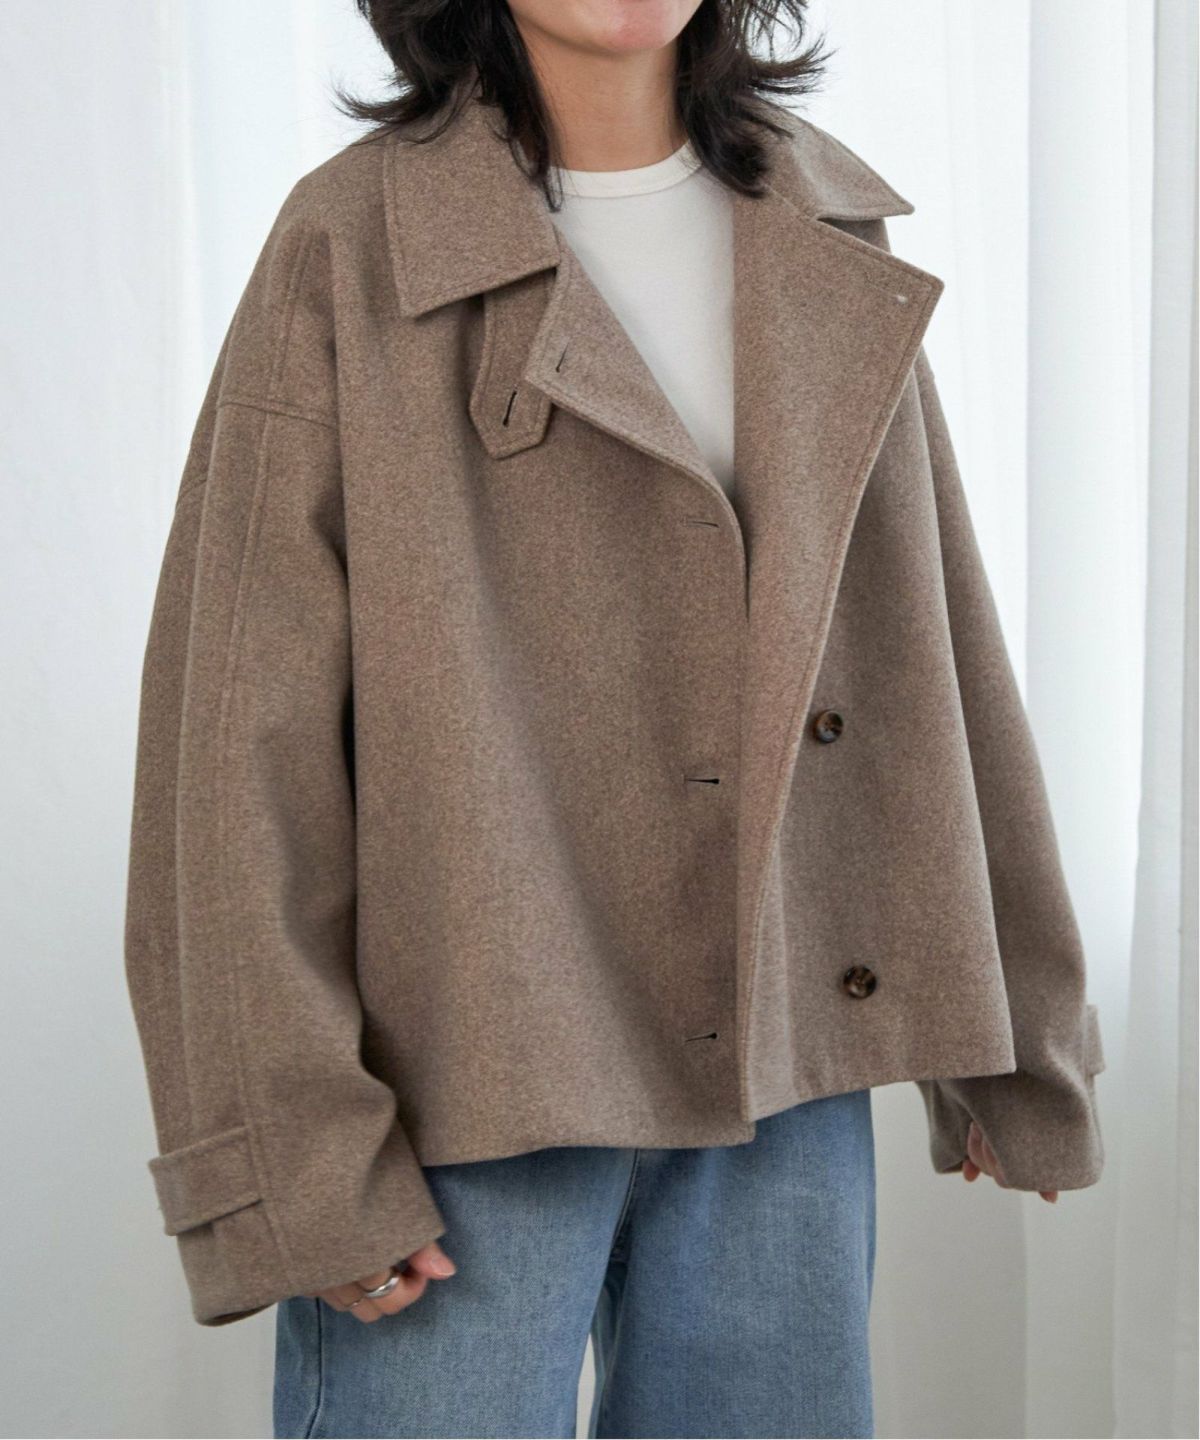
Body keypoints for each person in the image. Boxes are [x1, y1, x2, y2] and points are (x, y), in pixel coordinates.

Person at [122, 2, 1107, 1436]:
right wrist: (290, 1153)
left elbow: (923, 629)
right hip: (466, 1072)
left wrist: (1018, 1032)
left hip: (780, 1067)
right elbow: (231, 738)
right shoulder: (353, 242)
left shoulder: (819, 222)